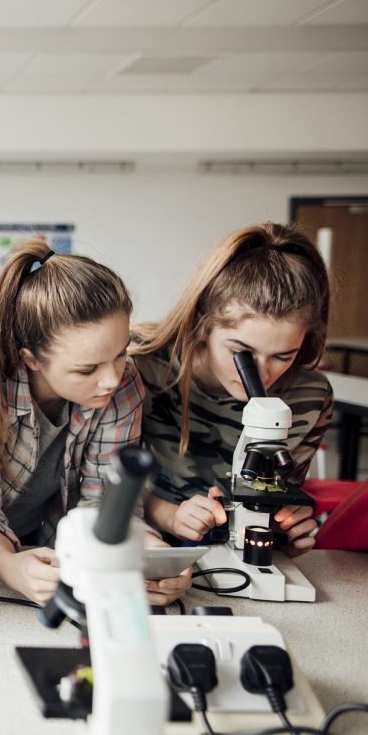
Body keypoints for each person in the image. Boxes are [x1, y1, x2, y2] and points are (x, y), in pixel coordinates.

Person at [0, 239, 189, 607]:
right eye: (86, 370)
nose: (111, 380)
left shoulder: (124, 384)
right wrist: (9, 566)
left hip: (54, 548)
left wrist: (153, 555)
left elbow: (105, 500)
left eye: (120, 355)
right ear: (32, 359)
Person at [131, 223, 333, 555]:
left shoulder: (309, 397)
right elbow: (97, 483)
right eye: (242, 353)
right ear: (202, 322)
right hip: (146, 545)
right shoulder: (140, 364)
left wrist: (289, 530)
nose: (262, 375)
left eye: (284, 356)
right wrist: (168, 516)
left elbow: (277, 498)